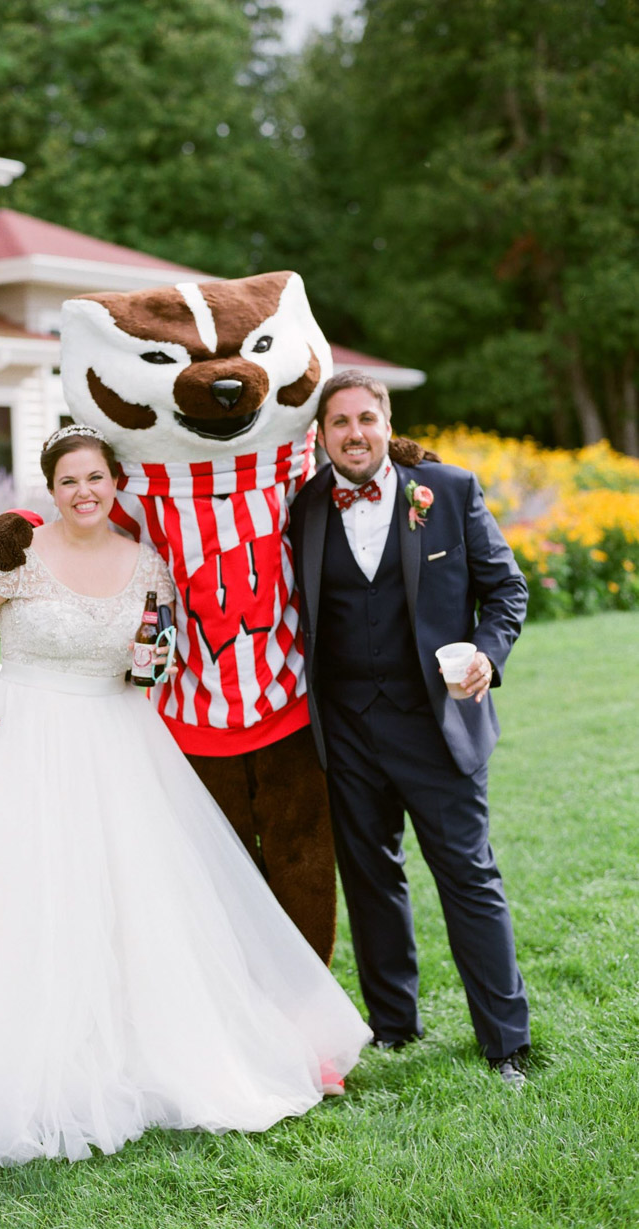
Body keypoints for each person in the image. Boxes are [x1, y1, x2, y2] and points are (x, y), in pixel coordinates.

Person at [0, 424, 372, 1165]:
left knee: (132, 901)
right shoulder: (16, 550)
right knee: (18, 901)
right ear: (50, 490)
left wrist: (151, 663)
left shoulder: (146, 563)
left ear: (117, 483)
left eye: (96, 478)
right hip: (20, 741)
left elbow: (154, 660)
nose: (84, 492)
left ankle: (148, 1046)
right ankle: (9, 1049)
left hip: (117, 739)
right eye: (69, 481)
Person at [287, 371, 531, 1088]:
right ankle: (394, 1023)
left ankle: (506, 1041)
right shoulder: (303, 508)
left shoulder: (447, 492)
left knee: (467, 874)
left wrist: (486, 653)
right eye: (340, 422)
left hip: (437, 722)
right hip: (347, 728)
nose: (355, 433)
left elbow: (506, 588)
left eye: (367, 418)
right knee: (370, 879)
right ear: (321, 434)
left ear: (387, 421)